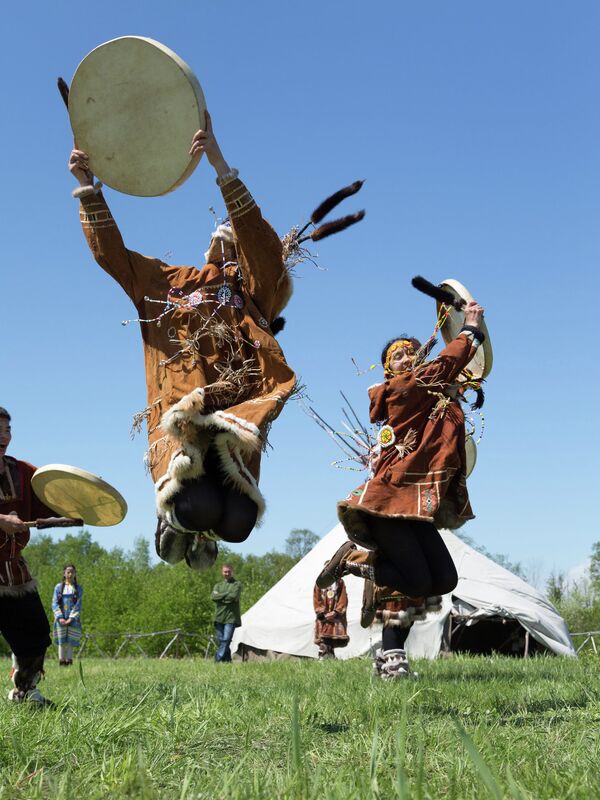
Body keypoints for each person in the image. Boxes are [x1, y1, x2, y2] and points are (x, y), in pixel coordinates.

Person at [68, 112, 296, 570]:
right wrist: (90, 188)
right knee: (195, 509)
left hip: (231, 421)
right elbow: (115, 258)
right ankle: (178, 523)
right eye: (223, 240)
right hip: (184, 417)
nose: (228, 248)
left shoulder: (256, 297)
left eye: (237, 245)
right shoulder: (171, 283)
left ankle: (204, 531)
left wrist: (220, 165)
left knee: (238, 524)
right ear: (209, 246)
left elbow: (267, 256)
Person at [316, 304, 486, 670]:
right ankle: (390, 657)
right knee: (414, 580)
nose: (407, 357)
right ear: (388, 369)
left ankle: (358, 563)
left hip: (414, 510)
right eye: (398, 355)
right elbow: (440, 368)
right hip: (388, 504)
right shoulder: (399, 389)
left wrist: (456, 388)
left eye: (412, 351)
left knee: (442, 578)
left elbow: (444, 388)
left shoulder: (429, 398)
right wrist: (470, 330)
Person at [0, 407, 54, 704]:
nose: (4, 436)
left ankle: (24, 691)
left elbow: (53, 500)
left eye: (7, 430)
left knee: (35, 634)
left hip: (13, 574)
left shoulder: (21, 471)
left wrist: (82, 506)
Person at [313, 568, 349, 659]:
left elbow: (343, 598)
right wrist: (322, 613)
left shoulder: (339, 582)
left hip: (336, 616)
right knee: (323, 638)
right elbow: (316, 599)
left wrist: (336, 612)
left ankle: (329, 656)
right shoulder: (319, 583)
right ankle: (323, 656)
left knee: (331, 639)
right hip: (323, 617)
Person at [52, 564, 83, 665]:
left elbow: (78, 604)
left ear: (75, 574)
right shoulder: (58, 587)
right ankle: (61, 660)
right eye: (68, 572)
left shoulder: (78, 588)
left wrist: (71, 618)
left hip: (73, 618)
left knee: (71, 640)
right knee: (61, 640)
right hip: (60, 617)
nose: (70, 574)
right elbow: (54, 603)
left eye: (72, 572)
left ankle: (69, 660)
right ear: (64, 574)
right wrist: (60, 617)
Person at [211, 564, 242, 662]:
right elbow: (213, 597)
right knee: (222, 641)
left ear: (232, 572)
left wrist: (220, 597)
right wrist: (226, 594)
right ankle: (227, 661)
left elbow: (234, 596)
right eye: (225, 571)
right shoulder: (218, 585)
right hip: (219, 616)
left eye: (229, 571)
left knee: (226, 640)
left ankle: (218, 659)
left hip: (231, 617)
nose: (227, 573)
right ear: (222, 572)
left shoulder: (237, 584)